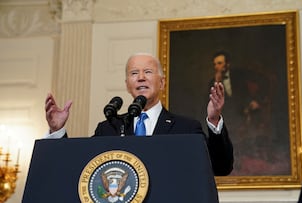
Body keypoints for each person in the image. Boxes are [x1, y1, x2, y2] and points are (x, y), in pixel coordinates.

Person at [45, 52, 233, 176]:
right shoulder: (108, 128)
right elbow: (80, 169)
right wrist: (57, 131)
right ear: (127, 84)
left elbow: (221, 167)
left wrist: (214, 119)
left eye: (148, 72)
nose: (141, 77)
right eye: (134, 73)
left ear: (162, 83)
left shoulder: (186, 128)